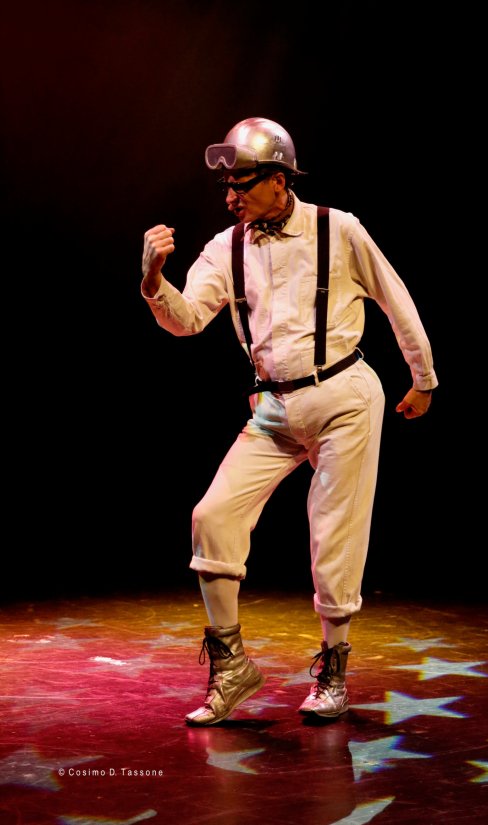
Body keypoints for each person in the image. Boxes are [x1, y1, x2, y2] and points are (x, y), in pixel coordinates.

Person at [141, 116, 438, 726]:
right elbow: (188, 319)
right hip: (273, 409)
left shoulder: (338, 228)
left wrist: (424, 378)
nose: (230, 196)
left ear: (280, 179)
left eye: (242, 183)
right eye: (227, 185)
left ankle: (333, 670)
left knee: (333, 538)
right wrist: (153, 282)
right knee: (212, 518)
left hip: (343, 399)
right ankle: (232, 669)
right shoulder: (226, 247)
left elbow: (395, 298)